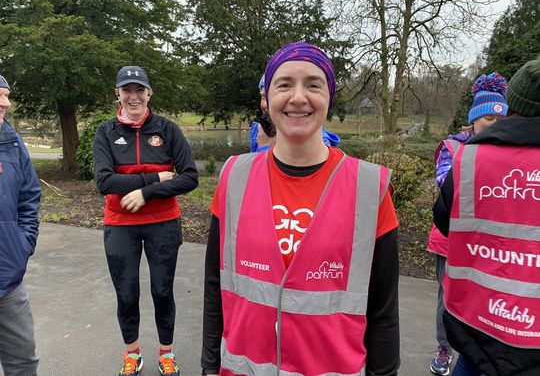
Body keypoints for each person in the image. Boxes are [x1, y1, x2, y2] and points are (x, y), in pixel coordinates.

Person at [201, 43, 400, 375]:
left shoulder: (370, 189)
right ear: (268, 99)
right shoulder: (233, 178)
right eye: (284, 84)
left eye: (313, 84)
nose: (297, 97)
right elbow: (213, 288)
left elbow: (383, 312)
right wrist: (208, 368)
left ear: (329, 97)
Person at [433, 56, 540, 376]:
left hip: (478, 324)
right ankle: (442, 348)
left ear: (511, 107)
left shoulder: (473, 155)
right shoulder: (457, 148)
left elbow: (444, 215)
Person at [93, 66, 198, 376]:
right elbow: (104, 181)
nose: (134, 95)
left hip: (163, 222)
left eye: (140, 89)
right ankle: (133, 355)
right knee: (126, 294)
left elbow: (190, 177)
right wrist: (153, 181)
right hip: (119, 223)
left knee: (162, 292)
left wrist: (146, 195)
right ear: (118, 93)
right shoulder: (106, 132)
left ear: (150, 92)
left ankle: (167, 354)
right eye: (127, 89)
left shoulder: (167, 130)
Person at [428, 72, 509, 376]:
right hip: (450, 241)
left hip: (492, 245)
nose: (495, 125)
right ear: (474, 119)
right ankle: (444, 347)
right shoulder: (451, 148)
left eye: (501, 119)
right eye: (488, 118)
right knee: (447, 297)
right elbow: (449, 184)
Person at [0, 74, 41, 375]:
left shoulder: (12, 142)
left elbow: (29, 196)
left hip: (7, 279)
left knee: (23, 362)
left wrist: (22, 243)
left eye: (6, 95)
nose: (7, 103)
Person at [250, 74, 340, 152]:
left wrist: (265, 147)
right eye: (263, 96)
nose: (266, 104)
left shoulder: (320, 144)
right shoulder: (260, 130)